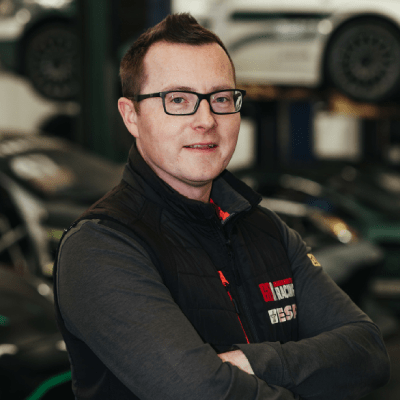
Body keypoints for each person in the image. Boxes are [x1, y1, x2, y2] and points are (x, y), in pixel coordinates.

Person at [53, 13, 390, 400]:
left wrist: (255, 362)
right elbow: (202, 392)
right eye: (178, 99)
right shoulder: (100, 246)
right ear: (132, 116)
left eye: (221, 99)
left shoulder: (267, 230)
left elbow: (368, 352)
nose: (206, 120)